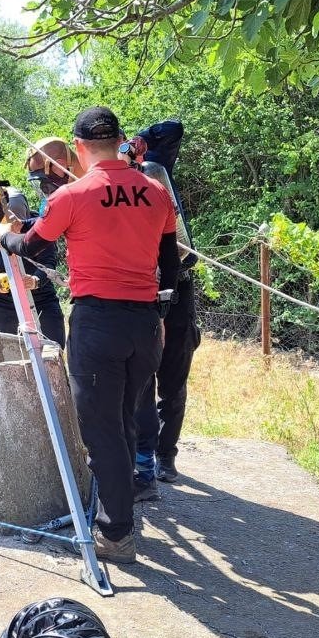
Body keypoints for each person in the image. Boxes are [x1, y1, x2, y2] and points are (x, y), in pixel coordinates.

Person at [0, 106, 177, 565]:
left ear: (79, 148)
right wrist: (158, 311)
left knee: (101, 429)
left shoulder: (73, 196)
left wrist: (0, 235)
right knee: (128, 417)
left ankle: (115, 532)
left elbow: (31, 245)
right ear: (120, 141)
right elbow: (170, 264)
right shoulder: (156, 193)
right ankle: (121, 510)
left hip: (99, 323)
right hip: (146, 322)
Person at [127, 121, 200, 501]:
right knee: (141, 379)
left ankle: (165, 455)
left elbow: (173, 129)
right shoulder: (112, 182)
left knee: (173, 376)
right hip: (141, 292)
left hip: (177, 288)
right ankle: (141, 459)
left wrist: (141, 141)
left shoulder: (154, 170)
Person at [0, 145, 72, 345]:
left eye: (16, 221)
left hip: (41, 301)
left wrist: (35, 280)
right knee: (3, 361)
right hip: (2, 306)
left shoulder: (41, 224)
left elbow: (49, 261)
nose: (11, 227)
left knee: (52, 355)